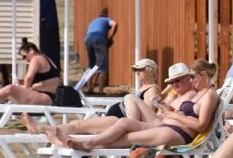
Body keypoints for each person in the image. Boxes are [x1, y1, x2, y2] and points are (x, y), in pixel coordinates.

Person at [56, 60, 218, 155]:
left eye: (192, 76)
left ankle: (87, 144)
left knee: (126, 139)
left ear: (203, 75)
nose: (191, 80)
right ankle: (85, 143)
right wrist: (169, 110)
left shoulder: (209, 95)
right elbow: (184, 114)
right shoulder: (200, 93)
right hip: (166, 126)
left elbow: (201, 125)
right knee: (124, 124)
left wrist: (174, 116)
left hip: (178, 133)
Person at [23, 57, 164, 137]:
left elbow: (147, 115)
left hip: (120, 121)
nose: (137, 73)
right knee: (80, 127)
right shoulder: (144, 88)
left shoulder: (152, 90)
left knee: (79, 126)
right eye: (136, 70)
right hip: (117, 120)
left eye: (141, 70)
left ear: (152, 72)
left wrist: (129, 125)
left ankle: (43, 129)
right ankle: (47, 130)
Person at [0, 38, 60, 111]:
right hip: (48, 97)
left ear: (31, 50)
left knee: (10, 89)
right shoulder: (47, 59)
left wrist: (25, 88)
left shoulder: (36, 58)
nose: (25, 60)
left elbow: (29, 78)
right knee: (11, 91)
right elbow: (49, 81)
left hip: (43, 98)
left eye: (24, 56)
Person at [83, 8, 117, 93]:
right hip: (99, 38)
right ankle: (100, 91)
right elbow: (114, 24)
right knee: (102, 67)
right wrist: (111, 37)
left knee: (91, 66)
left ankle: (89, 89)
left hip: (88, 39)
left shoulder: (93, 21)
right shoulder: (107, 19)